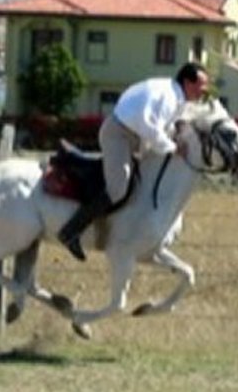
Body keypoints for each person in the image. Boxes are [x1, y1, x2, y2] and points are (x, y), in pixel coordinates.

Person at [58, 62, 210, 261]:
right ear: (188, 82)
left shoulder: (176, 97)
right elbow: (151, 129)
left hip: (133, 136)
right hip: (118, 134)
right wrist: (173, 148)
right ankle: (71, 231)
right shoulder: (168, 97)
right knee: (119, 187)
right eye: (201, 85)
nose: (204, 91)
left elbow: (166, 126)